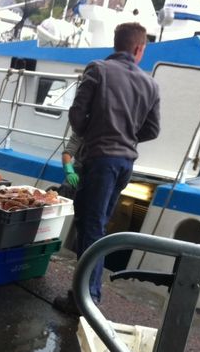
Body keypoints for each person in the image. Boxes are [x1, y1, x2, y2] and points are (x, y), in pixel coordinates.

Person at [53, 22, 160, 314]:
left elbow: (77, 116)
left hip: (100, 159)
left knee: (90, 227)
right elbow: (152, 129)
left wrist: (95, 132)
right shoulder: (150, 83)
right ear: (139, 49)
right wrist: (126, 135)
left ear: (117, 44)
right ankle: (90, 293)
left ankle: (85, 298)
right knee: (98, 227)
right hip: (125, 163)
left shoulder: (97, 69)